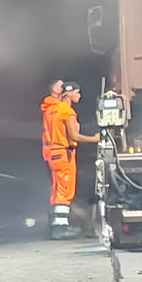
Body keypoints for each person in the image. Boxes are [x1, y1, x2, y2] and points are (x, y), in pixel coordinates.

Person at [39, 81, 99, 240]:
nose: (79, 95)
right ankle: (60, 228)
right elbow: (74, 136)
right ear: (68, 94)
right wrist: (95, 139)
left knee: (56, 190)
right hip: (64, 154)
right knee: (65, 192)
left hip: (52, 154)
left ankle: (53, 224)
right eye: (77, 93)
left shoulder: (50, 109)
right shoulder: (67, 111)